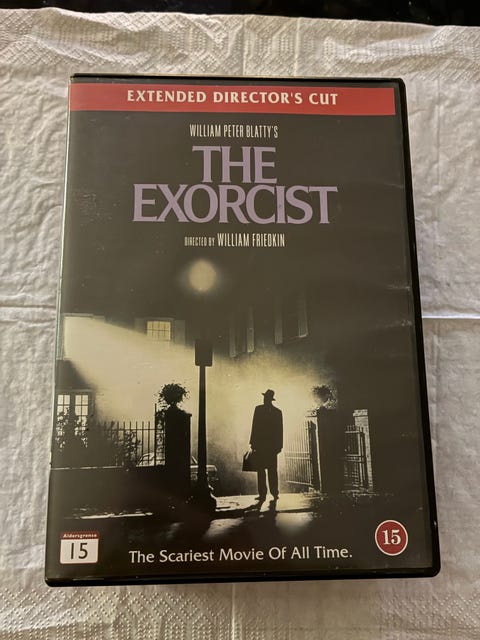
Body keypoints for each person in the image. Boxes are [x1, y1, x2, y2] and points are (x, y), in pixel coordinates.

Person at [249, 389, 283, 502]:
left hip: (270, 447)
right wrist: (252, 443)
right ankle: (264, 493)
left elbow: (280, 430)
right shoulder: (261, 410)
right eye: (264, 397)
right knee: (262, 471)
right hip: (262, 446)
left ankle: (273, 492)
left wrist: (279, 446)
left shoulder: (276, 412)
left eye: (266, 398)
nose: (264, 399)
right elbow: (254, 426)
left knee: (271, 470)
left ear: (269, 399)